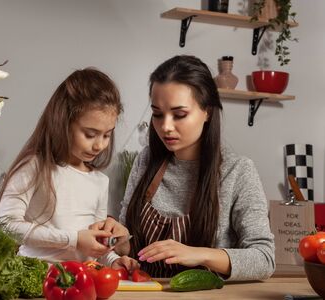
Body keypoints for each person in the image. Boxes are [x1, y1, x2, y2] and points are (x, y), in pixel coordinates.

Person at [117, 55, 275, 280]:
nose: (166, 126)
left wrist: (199, 255)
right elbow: (129, 243)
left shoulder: (238, 171)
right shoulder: (146, 160)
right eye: (157, 114)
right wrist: (118, 247)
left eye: (179, 114)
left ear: (207, 111)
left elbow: (264, 259)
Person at [0, 68, 138, 270]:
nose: (99, 145)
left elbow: (94, 246)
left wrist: (113, 260)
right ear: (62, 122)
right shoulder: (35, 167)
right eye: (90, 134)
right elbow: (6, 225)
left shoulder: (99, 181)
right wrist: (73, 239)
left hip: (82, 283)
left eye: (106, 135)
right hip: (37, 278)